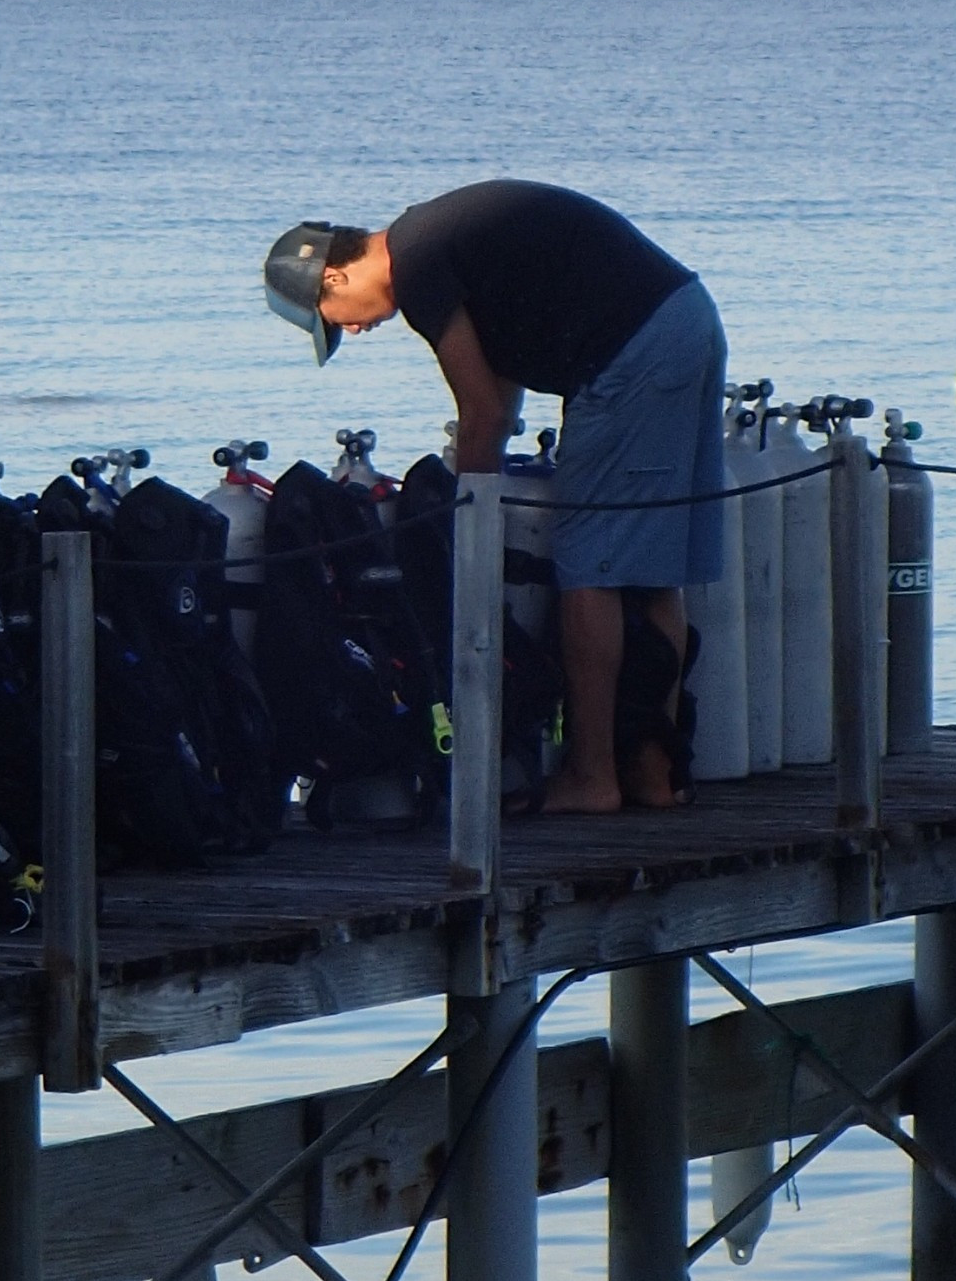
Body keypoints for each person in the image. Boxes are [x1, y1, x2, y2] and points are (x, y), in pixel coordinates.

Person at [262, 179, 726, 814]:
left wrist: (468, 513)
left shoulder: (417, 263)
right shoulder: (439, 240)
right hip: (685, 316)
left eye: (332, 321)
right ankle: (653, 772)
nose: (352, 332)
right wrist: (482, 466)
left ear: (335, 279)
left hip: (631, 352)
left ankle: (593, 777)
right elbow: (501, 392)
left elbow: (480, 410)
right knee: (652, 569)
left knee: (590, 569)